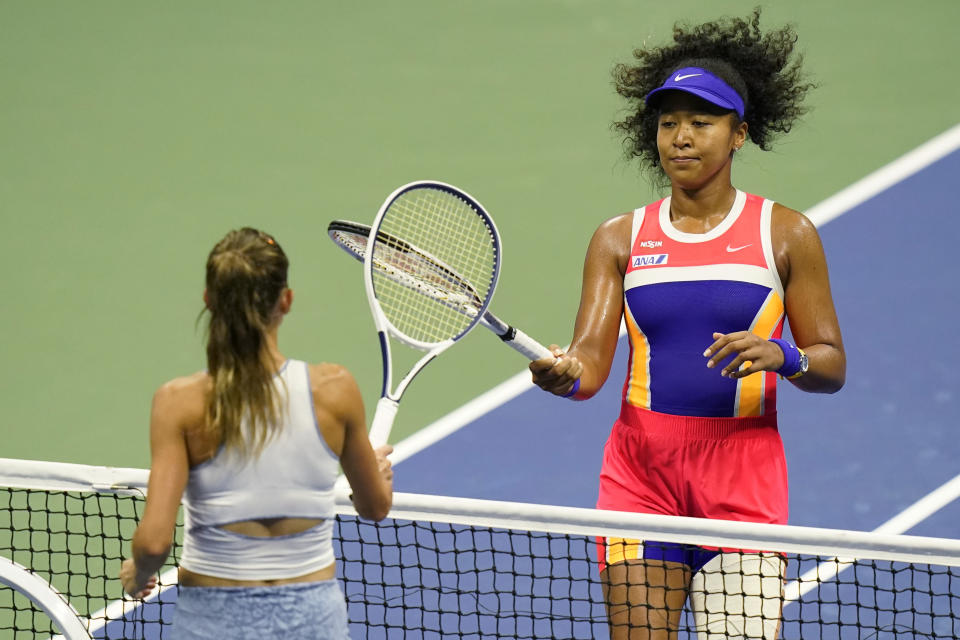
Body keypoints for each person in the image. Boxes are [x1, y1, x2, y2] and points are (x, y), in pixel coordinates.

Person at [529, 10, 845, 640]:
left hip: (743, 472)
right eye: (668, 122)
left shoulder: (784, 234)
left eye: (701, 122)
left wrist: (785, 355)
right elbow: (590, 369)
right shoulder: (619, 238)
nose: (680, 136)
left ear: (739, 135)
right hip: (640, 472)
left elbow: (830, 361)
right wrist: (562, 375)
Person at [119, 227, 393, 639]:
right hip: (311, 620)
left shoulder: (178, 403)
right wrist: (377, 475)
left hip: (213, 621)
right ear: (286, 300)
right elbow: (374, 507)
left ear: (209, 301)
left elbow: (154, 545)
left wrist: (137, 571)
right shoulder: (336, 390)